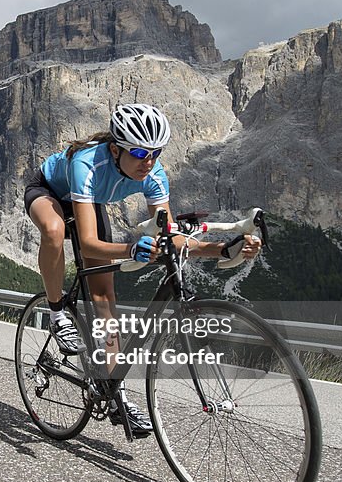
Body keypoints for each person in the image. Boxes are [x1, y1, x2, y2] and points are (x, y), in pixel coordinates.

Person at [24, 103, 261, 437]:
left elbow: (171, 237)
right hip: (49, 192)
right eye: (138, 152)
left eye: (155, 153)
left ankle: (114, 391)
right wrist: (132, 249)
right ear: (115, 149)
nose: (147, 162)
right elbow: (90, 244)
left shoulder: (154, 175)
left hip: (90, 203)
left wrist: (222, 248)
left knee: (105, 298)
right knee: (54, 230)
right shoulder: (86, 163)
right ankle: (56, 311)